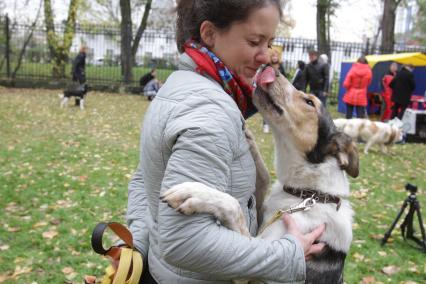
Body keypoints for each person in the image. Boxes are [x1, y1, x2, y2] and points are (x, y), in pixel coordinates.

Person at [124, 1, 325, 283]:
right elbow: (185, 241)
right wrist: (289, 254)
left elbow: (144, 178)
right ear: (209, 34)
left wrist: (139, 242)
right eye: (255, 41)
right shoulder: (209, 110)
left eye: (270, 43)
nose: (266, 56)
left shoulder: (181, 84)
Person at [263, 47, 287, 133]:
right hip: (269, 89)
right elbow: (263, 77)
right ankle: (266, 125)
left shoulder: (281, 66)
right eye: (273, 56)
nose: (274, 58)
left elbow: (285, 78)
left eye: (276, 56)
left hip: (279, 90)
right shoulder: (267, 66)